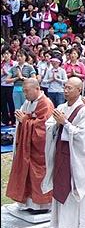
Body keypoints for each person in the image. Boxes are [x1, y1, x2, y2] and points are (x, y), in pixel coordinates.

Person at [41, 77, 85, 228]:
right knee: (61, 187)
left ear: (79, 90)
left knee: (75, 189)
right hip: (61, 154)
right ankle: (63, 225)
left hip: (76, 158)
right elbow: (50, 125)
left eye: (69, 88)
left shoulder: (84, 112)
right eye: (65, 87)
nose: (65, 91)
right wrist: (58, 124)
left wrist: (65, 123)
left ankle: (80, 225)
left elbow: (83, 136)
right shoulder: (61, 107)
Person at [6, 78, 54, 213]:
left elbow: (44, 128)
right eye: (24, 91)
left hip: (39, 150)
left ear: (37, 89)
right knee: (25, 173)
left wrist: (25, 120)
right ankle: (28, 202)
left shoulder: (45, 103)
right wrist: (22, 119)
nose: (25, 94)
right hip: (27, 146)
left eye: (27, 91)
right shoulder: (27, 102)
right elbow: (26, 119)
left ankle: (41, 205)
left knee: (38, 174)